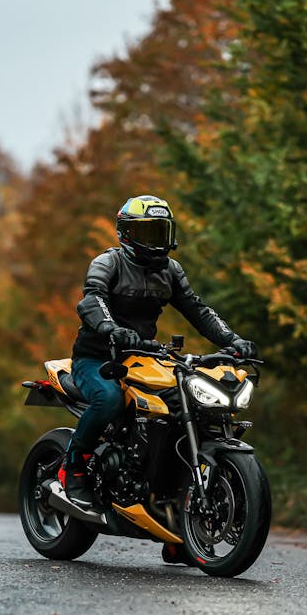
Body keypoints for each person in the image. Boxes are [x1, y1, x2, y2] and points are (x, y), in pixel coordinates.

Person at [59, 194, 257, 512]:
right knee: (108, 399)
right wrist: (110, 328)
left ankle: (171, 493)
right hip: (96, 359)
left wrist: (233, 340)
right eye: (148, 232)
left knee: (183, 404)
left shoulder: (171, 270)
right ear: (126, 234)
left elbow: (198, 310)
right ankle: (74, 469)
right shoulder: (108, 263)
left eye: (161, 232)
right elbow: (92, 300)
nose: (156, 241)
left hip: (144, 357)